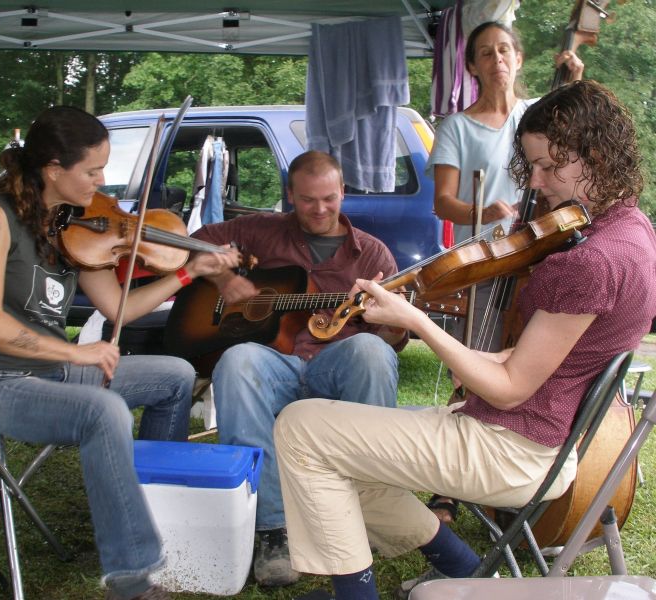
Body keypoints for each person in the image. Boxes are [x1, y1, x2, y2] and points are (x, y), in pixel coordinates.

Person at [274, 80, 656, 600]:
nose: (536, 182)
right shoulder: (633, 231)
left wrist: (416, 320)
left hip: (512, 450)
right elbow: (553, 359)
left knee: (301, 427)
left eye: (548, 166)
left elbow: (510, 389)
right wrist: (473, 356)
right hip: (532, 441)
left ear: (597, 156)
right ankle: (461, 563)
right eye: (533, 166)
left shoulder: (590, 262)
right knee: (340, 451)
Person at [0, 106, 240, 600]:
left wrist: (187, 273)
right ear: (53, 169)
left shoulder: (75, 228)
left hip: (57, 374)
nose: (101, 181)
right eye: (92, 171)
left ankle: (148, 513)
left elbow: (118, 308)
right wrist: (75, 353)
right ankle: (131, 580)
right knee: (103, 410)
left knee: (175, 376)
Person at [191, 150, 408, 587]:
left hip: (336, 364)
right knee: (237, 360)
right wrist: (224, 280)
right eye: (308, 200)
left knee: (371, 352)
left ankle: (368, 509)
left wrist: (394, 323)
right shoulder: (260, 230)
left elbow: (393, 342)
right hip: (275, 363)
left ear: (343, 191)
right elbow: (194, 243)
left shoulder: (372, 254)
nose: (320, 209)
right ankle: (271, 529)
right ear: (290, 195)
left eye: (329, 198)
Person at [425, 21, 583, 522]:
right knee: (473, 360)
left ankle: (518, 474)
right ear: (472, 66)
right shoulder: (456, 126)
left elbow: (574, 148)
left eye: (504, 50)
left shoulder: (535, 115)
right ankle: (450, 482)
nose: (497, 60)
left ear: (519, 58)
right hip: (484, 258)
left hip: (539, 256)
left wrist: (574, 82)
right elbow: (443, 203)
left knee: (529, 360)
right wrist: (484, 210)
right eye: (486, 53)